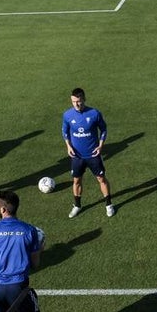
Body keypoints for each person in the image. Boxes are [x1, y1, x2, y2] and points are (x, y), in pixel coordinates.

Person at [62, 88, 114, 218]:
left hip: (93, 155)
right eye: (74, 102)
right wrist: (68, 146)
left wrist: (101, 146)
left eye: (79, 101)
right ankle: (77, 206)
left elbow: (103, 130)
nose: (76, 104)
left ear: (84, 99)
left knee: (101, 179)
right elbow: (65, 132)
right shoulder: (67, 115)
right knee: (76, 181)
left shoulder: (94, 113)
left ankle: (108, 204)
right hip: (77, 157)